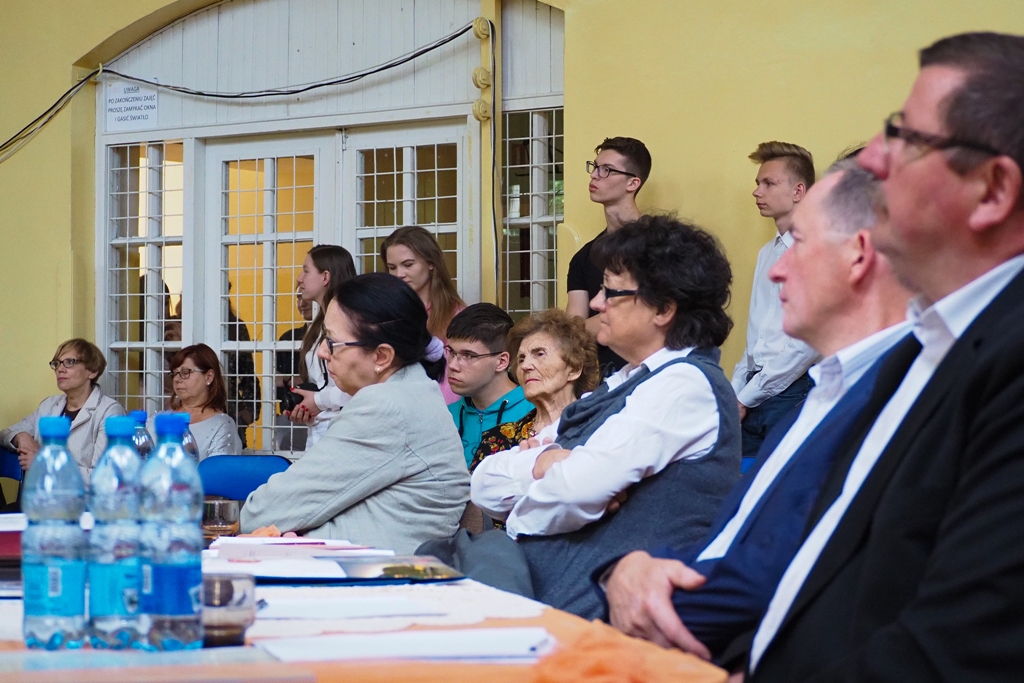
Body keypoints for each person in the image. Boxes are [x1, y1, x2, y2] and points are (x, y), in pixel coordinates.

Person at [745, 32, 1024, 682]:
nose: (872, 157)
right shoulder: (918, 350)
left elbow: (958, 646)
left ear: (991, 192)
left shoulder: (1008, 363)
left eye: (905, 137)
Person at [603, 162, 914, 667]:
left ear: (858, 255)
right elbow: (733, 540)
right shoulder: (826, 392)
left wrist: (634, 589)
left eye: (800, 246)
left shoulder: (889, 396)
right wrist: (630, 569)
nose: (776, 270)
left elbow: (774, 572)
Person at [472, 215, 740, 618]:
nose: (596, 304)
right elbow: (484, 484)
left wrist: (518, 515)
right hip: (554, 607)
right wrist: (544, 465)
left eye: (611, 292)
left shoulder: (685, 384)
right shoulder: (623, 382)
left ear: (663, 309)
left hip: (597, 623)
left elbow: (575, 489)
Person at [240, 272, 470, 554]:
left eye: (332, 342)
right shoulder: (414, 390)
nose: (322, 352)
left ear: (381, 356)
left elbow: (260, 513)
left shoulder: (386, 406)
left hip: (370, 576)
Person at [732, 142, 822, 460]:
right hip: (754, 389)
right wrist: (735, 391)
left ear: (799, 191)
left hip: (792, 391)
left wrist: (746, 396)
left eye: (769, 183)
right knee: (740, 480)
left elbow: (807, 343)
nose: (757, 192)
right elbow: (756, 333)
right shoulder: (767, 253)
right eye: (758, 183)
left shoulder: (818, 250)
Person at [470, 308, 600, 472]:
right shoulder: (498, 439)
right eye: (521, 359)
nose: (525, 366)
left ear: (574, 368)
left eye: (539, 354)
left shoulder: (599, 427)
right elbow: (476, 487)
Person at [567, 137, 651, 377]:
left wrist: (600, 322)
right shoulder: (584, 257)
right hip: (605, 379)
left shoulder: (658, 244)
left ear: (632, 183)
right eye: (595, 167)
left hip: (654, 374)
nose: (595, 175)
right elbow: (571, 333)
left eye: (607, 170)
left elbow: (649, 313)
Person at [1, 339, 125, 484]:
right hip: (41, 494)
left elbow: (103, 477)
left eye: (70, 362)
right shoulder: (49, 405)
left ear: (92, 371)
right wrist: (21, 436)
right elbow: (4, 434)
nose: (60, 369)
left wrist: (45, 463)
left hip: (81, 498)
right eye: (57, 363)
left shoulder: (109, 411)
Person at [381, 226, 465, 405]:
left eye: (408, 265)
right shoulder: (385, 313)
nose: (399, 274)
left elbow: (455, 378)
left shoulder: (456, 314)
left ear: (431, 263)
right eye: (392, 267)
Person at [285, 245, 358, 448]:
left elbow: (361, 386)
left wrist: (319, 401)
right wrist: (307, 407)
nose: (299, 278)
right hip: (317, 434)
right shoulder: (316, 327)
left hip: (346, 436)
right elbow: (321, 385)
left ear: (325, 277)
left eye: (306, 271)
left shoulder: (352, 322)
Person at [446, 303, 534, 467]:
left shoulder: (534, 413)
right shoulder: (445, 416)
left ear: (501, 362)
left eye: (468, 355)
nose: (452, 365)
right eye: (451, 352)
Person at [158, 344, 243, 461]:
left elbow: (219, 470)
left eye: (185, 372)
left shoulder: (221, 426)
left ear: (209, 377)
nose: (177, 379)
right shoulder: (157, 420)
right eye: (174, 373)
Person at [274, 292, 313, 452]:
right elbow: (274, 383)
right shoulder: (288, 338)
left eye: (307, 296)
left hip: (325, 413)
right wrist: (299, 380)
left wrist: (289, 380)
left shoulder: (332, 335)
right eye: (298, 297)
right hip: (289, 415)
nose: (302, 303)